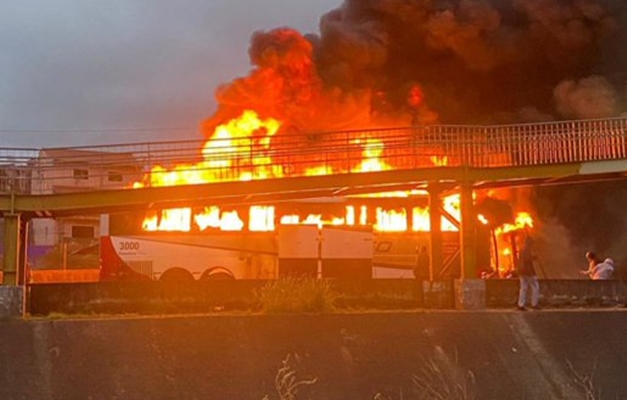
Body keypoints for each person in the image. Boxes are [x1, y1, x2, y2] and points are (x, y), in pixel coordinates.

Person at [517, 235, 540, 311]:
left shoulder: (522, 249)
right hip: (528, 272)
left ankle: (521, 304)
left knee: (523, 288)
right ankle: (534, 304)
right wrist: (534, 257)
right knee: (535, 287)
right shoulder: (526, 250)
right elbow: (527, 259)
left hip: (522, 272)